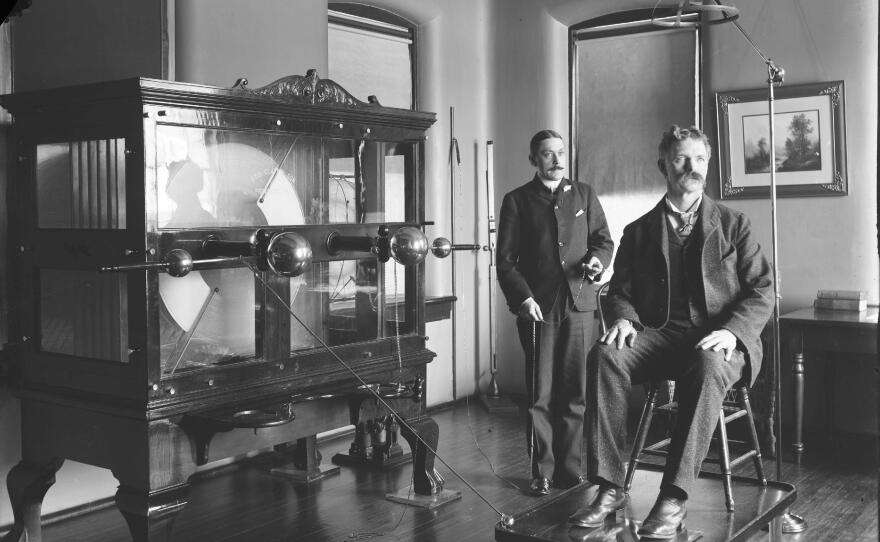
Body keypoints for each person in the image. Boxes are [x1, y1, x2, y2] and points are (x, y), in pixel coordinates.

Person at [568, 125, 774, 538]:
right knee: (605, 356)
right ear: (664, 165)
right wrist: (624, 318)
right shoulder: (640, 231)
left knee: (706, 361)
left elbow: (762, 289)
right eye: (681, 159)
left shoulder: (735, 224)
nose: (691, 167)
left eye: (699, 159)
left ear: (708, 164)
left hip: (720, 338)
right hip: (660, 334)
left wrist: (733, 332)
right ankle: (609, 486)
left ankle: (673, 497)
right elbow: (619, 291)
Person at [497, 129, 614, 495]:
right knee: (540, 395)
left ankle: (569, 470)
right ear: (534, 160)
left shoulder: (584, 194)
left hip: (580, 304)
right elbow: (505, 262)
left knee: (575, 393)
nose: (557, 159)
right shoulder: (517, 201)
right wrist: (523, 299)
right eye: (547, 154)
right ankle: (542, 472)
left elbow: (604, 242)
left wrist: (597, 261)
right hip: (538, 309)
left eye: (560, 152)